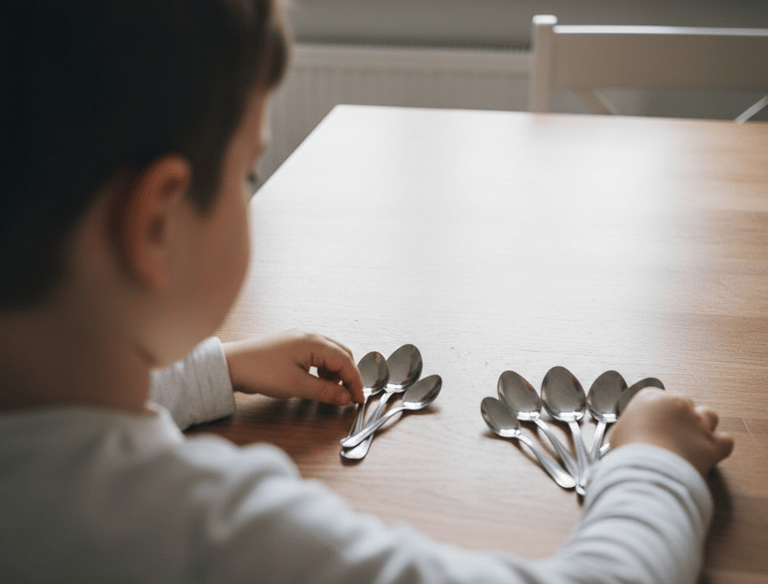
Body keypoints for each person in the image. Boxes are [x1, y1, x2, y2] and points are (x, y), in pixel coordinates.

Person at [0, 1, 734, 582]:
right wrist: (653, 464)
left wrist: (216, 368)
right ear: (157, 225)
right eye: (247, 175)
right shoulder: (214, 538)